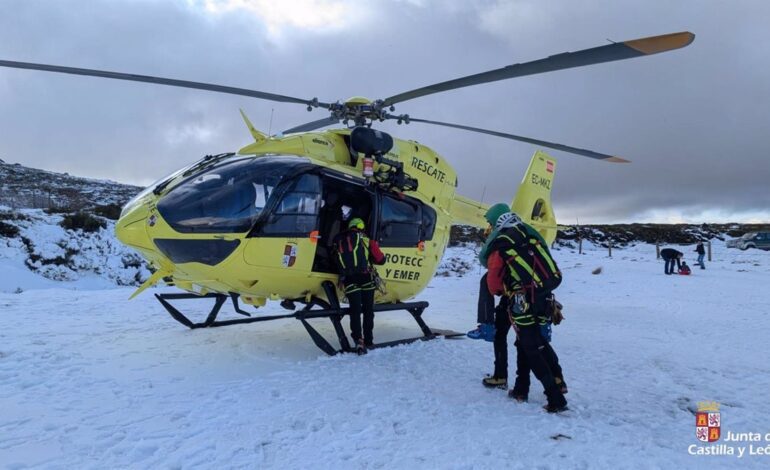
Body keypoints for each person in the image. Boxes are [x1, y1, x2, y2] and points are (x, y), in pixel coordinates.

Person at [482, 204, 568, 412]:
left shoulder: (501, 244)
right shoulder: (531, 236)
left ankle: (555, 398)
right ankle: (553, 381)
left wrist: (501, 292)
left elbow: (493, 282)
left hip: (522, 301)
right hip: (543, 297)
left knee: (530, 346)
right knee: (537, 343)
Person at [333, 217, 386, 354]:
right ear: (361, 226)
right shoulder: (366, 239)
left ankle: (358, 340)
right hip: (365, 278)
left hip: (349, 279)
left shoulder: (339, 240)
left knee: (355, 310)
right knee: (368, 309)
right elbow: (381, 259)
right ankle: (368, 339)